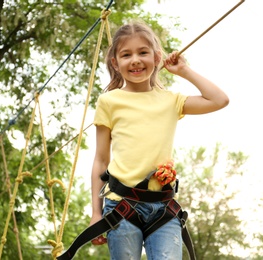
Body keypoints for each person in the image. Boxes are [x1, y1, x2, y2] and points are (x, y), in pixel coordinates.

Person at [89, 20, 229, 259]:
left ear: (156, 58)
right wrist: (96, 213)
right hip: (121, 205)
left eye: (143, 52)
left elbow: (219, 100)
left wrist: (184, 71)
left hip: (162, 208)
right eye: (126, 54)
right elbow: (101, 161)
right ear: (116, 63)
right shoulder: (109, 102)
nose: (135, 60)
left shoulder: (170, 101)